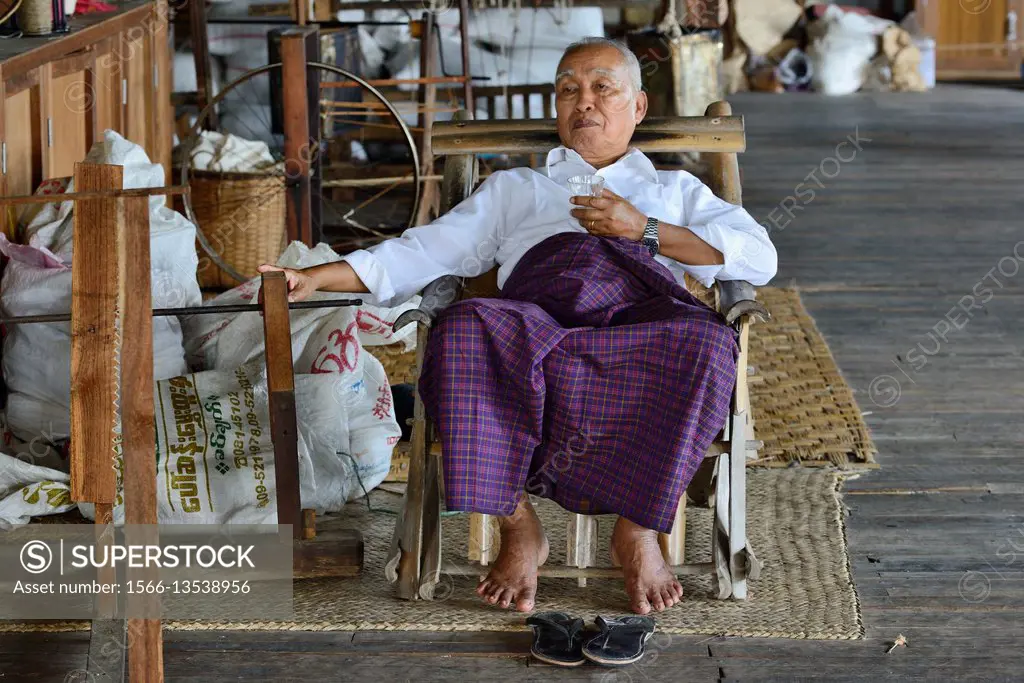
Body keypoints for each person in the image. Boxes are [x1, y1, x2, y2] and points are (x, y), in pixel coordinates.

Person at [259, 37, 777, 616]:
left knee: (708, 342)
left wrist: (645, 230)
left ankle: (637, 530)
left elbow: (759, 258)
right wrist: (316, 277)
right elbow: (422, 253)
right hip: (535, 329)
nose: (584, 101)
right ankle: (519, 527)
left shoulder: (674, 191)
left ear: (638, 107)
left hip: (637, 328)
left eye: (602, 86)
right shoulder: (518, 190)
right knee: (461, 327)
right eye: (567, 89)